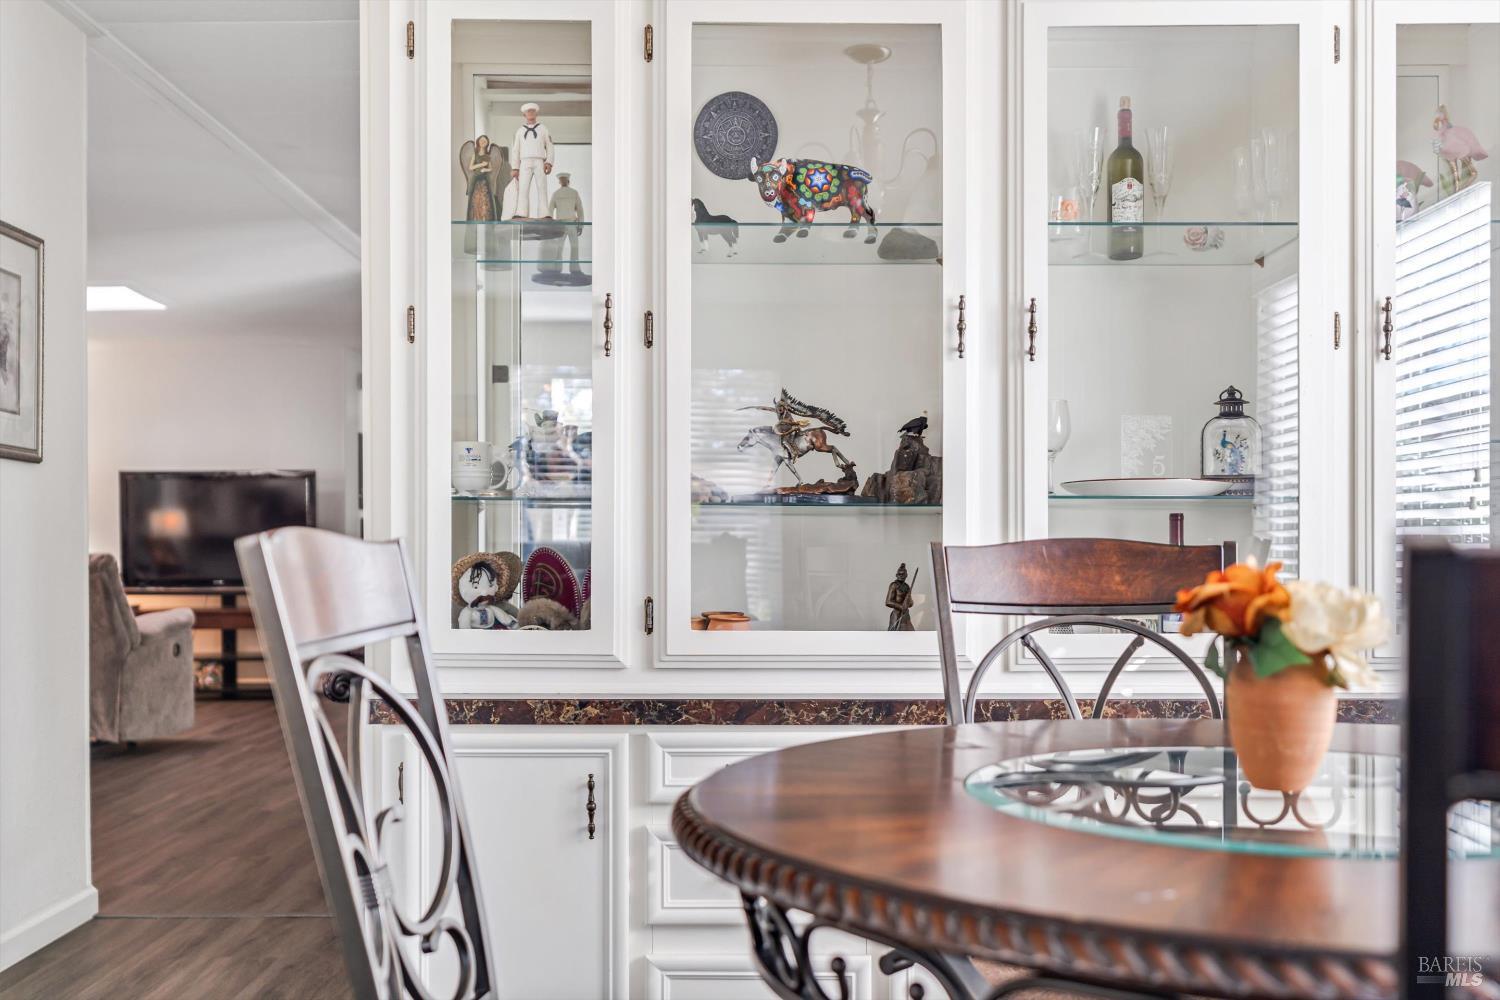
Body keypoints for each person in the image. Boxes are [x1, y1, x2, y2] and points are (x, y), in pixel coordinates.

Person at [512, 102, 554, 218]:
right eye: (528, 111)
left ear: (536, 113)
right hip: (524, 162)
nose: (530, 113)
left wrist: (549, 162)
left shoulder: (543, 129)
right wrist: (515, 167)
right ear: (524, 115)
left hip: (539, 161)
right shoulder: (520, 131)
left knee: (542, 187)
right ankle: (521, 212)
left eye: (532, 111)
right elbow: (516, 150)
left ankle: (544, 213)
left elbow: (550, 146)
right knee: (523, 188)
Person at [547, 173, 586, 271]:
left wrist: (580, 225)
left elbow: (550, 210)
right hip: (567, 224)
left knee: (563, 247)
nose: (563, 181)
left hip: (564, 224)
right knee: (569, 247)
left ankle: (558, 268)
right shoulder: (574, 193)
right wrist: (580, 225)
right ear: (568, 181)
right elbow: (580, 210)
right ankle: (572, 268)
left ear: (560, 181)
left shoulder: (557, 194)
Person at [885, 563, 916, 631]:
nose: (901, 576)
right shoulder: (894, 585)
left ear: (906, 575)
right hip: (897, 614)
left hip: (905, 615)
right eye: (899, 574)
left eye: (903, 574)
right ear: (896, 575)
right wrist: (901, 607)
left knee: (910, 633)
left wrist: (909, 601)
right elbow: (888, 602)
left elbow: (910, 603)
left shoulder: (907, 587)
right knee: (894, 634)